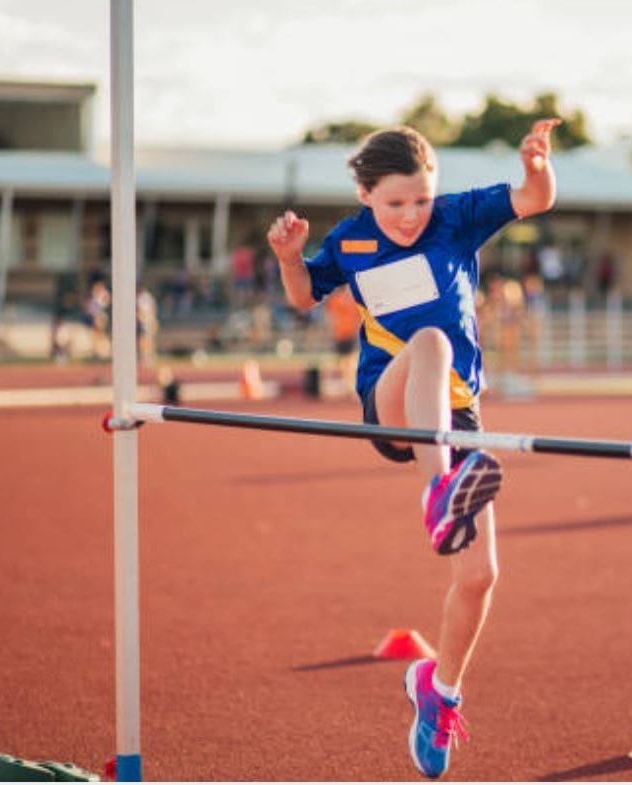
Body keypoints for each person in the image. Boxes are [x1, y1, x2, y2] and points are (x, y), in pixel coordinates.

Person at [266, 118, 560, 779]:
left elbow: (534, 199)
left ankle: (440, 690)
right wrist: (289, 256)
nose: (410, 215)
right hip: (391, 403)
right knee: (429, 340)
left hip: (458, 413)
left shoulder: (457, 217)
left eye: (420, 200)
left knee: (481, 576)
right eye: (396, 202)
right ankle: (439, 493)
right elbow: (304, 295)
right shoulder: (350, 239)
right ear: (366, 194)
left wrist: (538, 165)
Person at [324, 283, 362, 398]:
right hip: (347, 333)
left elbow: (329, 318)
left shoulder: (335, 300)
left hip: (342, 333)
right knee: (348, 362)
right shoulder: (350, 300)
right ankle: (348, 387)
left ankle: (346, 386)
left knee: (343, 361)